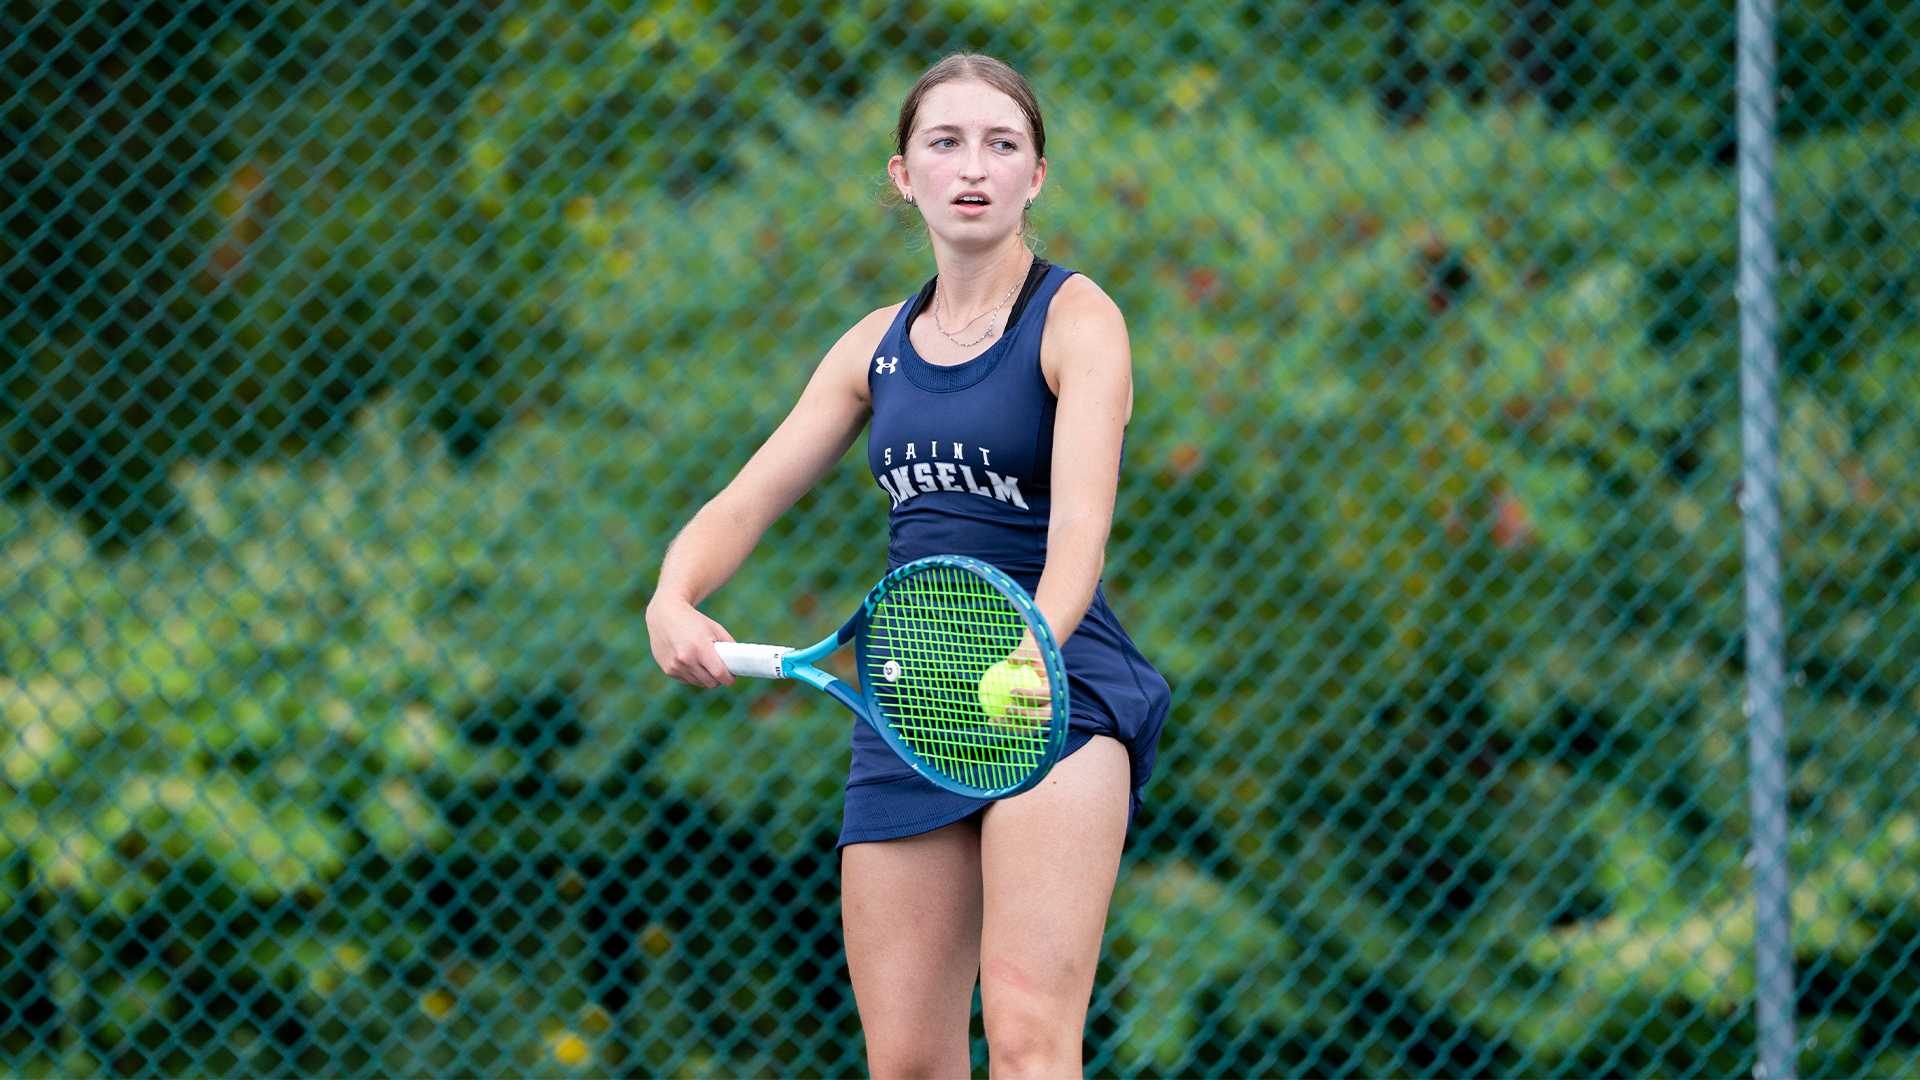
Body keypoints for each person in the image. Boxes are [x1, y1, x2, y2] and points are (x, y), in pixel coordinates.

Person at [646, 52, 1170, 1079]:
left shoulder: (1078, 320)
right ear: (903, 174)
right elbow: (742, 504)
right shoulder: (871, 350)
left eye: (1002, 144)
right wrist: (674, 595)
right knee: (908, 1065)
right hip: (911, 707)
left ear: (1036, 176)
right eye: (946, 142)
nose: (973, 167)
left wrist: (1032, 649)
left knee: (1028, 1042)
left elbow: (1081, 535)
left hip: (1053, 691)